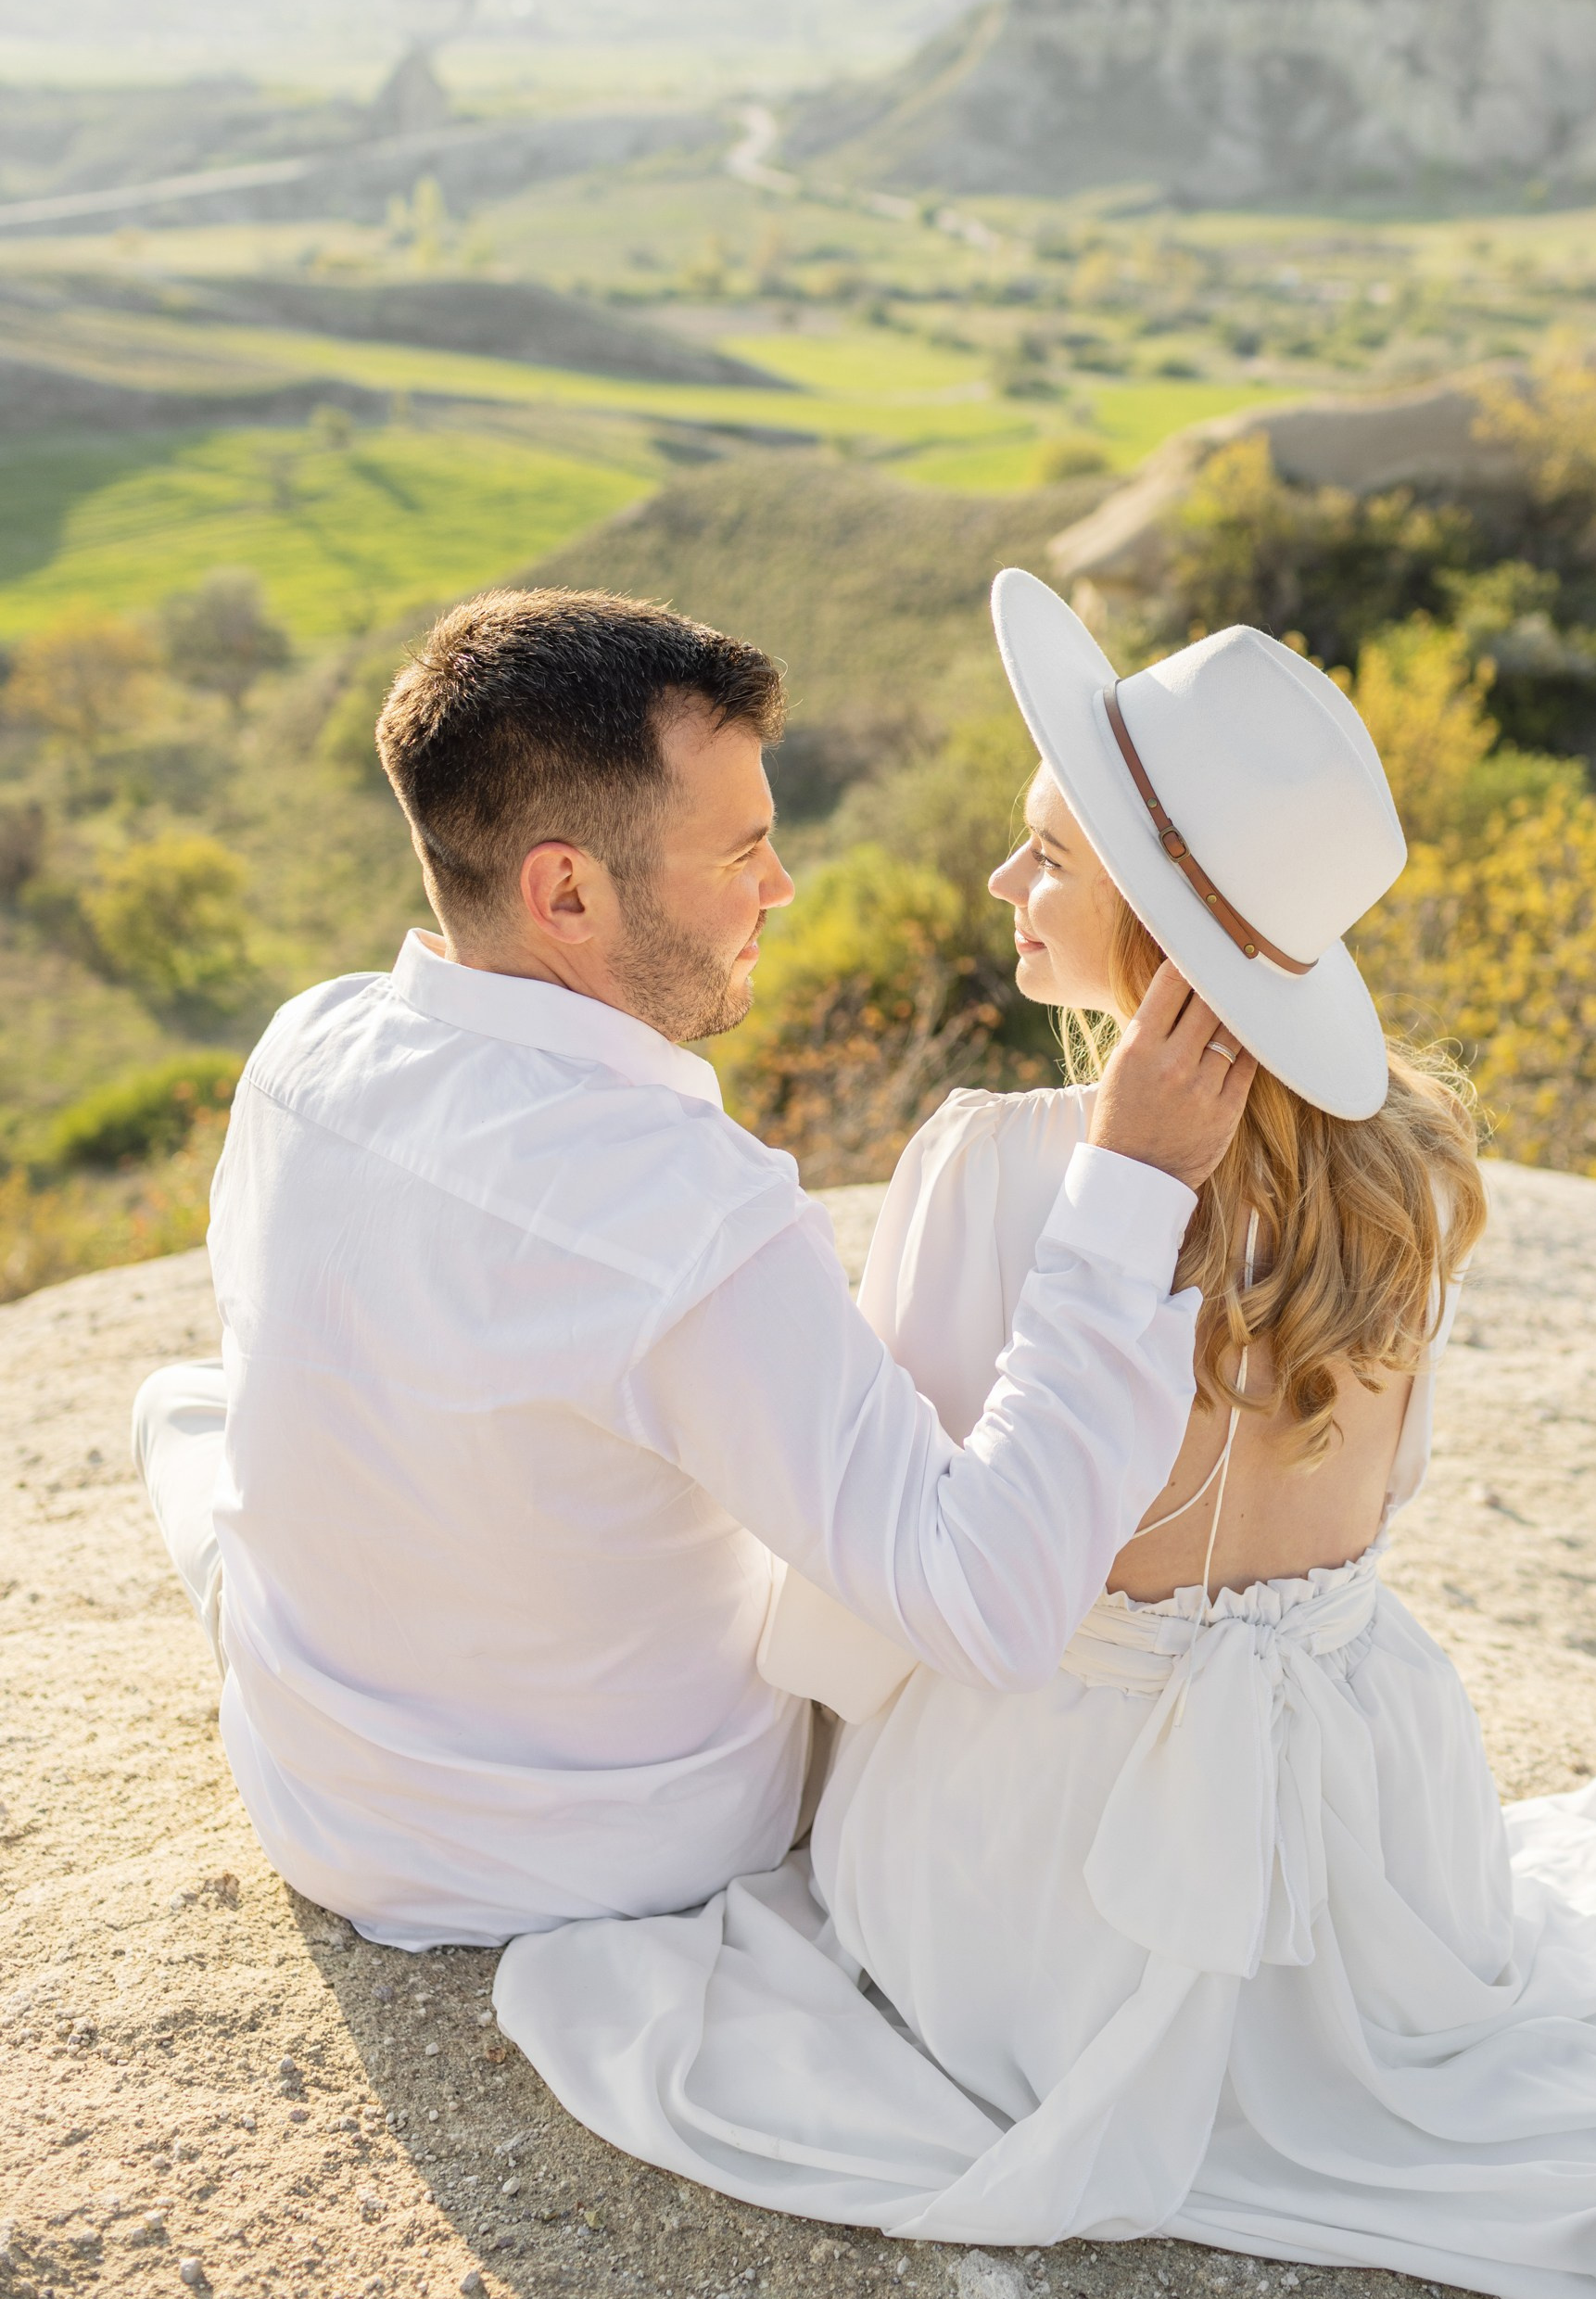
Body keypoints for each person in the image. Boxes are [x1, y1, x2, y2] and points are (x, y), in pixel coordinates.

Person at [497, 570, 1596, 2299]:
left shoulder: (993, 1165)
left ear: (1153, 923)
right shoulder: (1407, 1166)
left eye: (1047, 857)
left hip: (1050, 1859)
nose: (1006, 884)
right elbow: (1383, 1501)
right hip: (1370, 1832)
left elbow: (910, 1566)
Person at [130, 587, 1254, 1951]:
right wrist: (1127, 1188)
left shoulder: (302, 1049)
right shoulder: (684, 1210)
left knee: (200, 1409)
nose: (779, 888)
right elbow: (992, 1608)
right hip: (611, 1852)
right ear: (566, 891)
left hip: (315, 1801)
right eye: (742, 854)